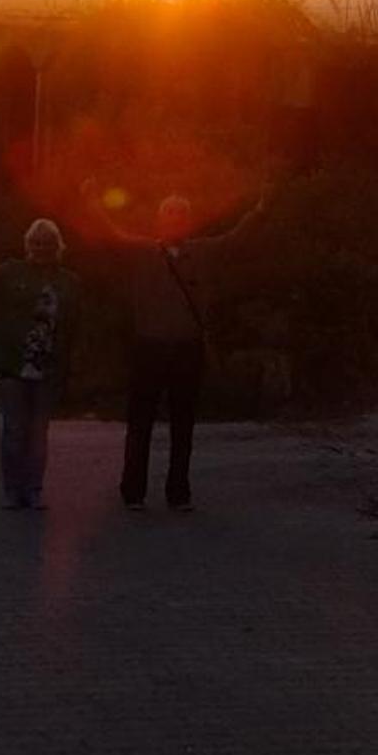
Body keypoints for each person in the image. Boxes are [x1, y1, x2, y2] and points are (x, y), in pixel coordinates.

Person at [95, 188, 262, 513]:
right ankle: (133, 491)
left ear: (189, 221)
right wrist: (92, 202)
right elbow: (110, 236)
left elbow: (235, 239)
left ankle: (178, 492)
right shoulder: (143, 251)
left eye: (181, 214)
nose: (175, 219)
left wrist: (260, 210)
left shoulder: (202, 251)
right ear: (160, 219)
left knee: (183, 423)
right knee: (140, 422)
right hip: (149, 346)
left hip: (187, 347)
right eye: (169, 213)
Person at [0, 218, 80, 510]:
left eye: (47, 243)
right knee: (15, 429)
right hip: (12, 363)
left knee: (39, 432)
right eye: (36, 243)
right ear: (28, 245)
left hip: (48, 365)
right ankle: (13, 489)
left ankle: (34, 488)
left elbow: (74, 326)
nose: (41, 248)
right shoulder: (10, 271)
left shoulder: (69, 282)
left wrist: (71, 364)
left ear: (57, 247)